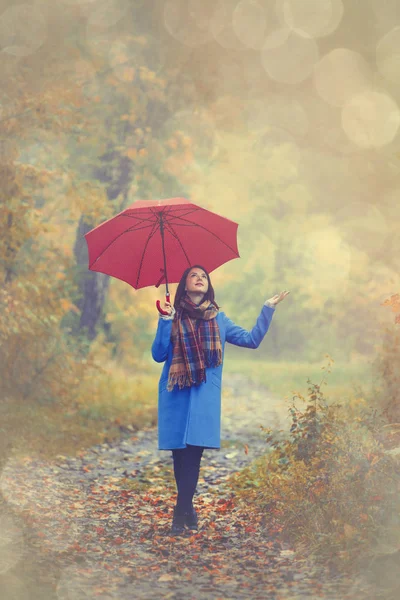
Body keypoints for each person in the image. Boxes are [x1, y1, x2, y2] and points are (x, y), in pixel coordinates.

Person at [151, 264, 290, 536]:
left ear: (208, 285)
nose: (199, 279)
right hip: (176, 394)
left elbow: (252, 340)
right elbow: (158, 354)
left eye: (204, 276)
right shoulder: (173, 316)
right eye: (193, 275)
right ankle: (189, 510)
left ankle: (179, 519)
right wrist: (165, 321)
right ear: (185, 284)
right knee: (179, 458)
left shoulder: (219, 319)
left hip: (204, 397)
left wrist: (267, 308)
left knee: (193, 455)